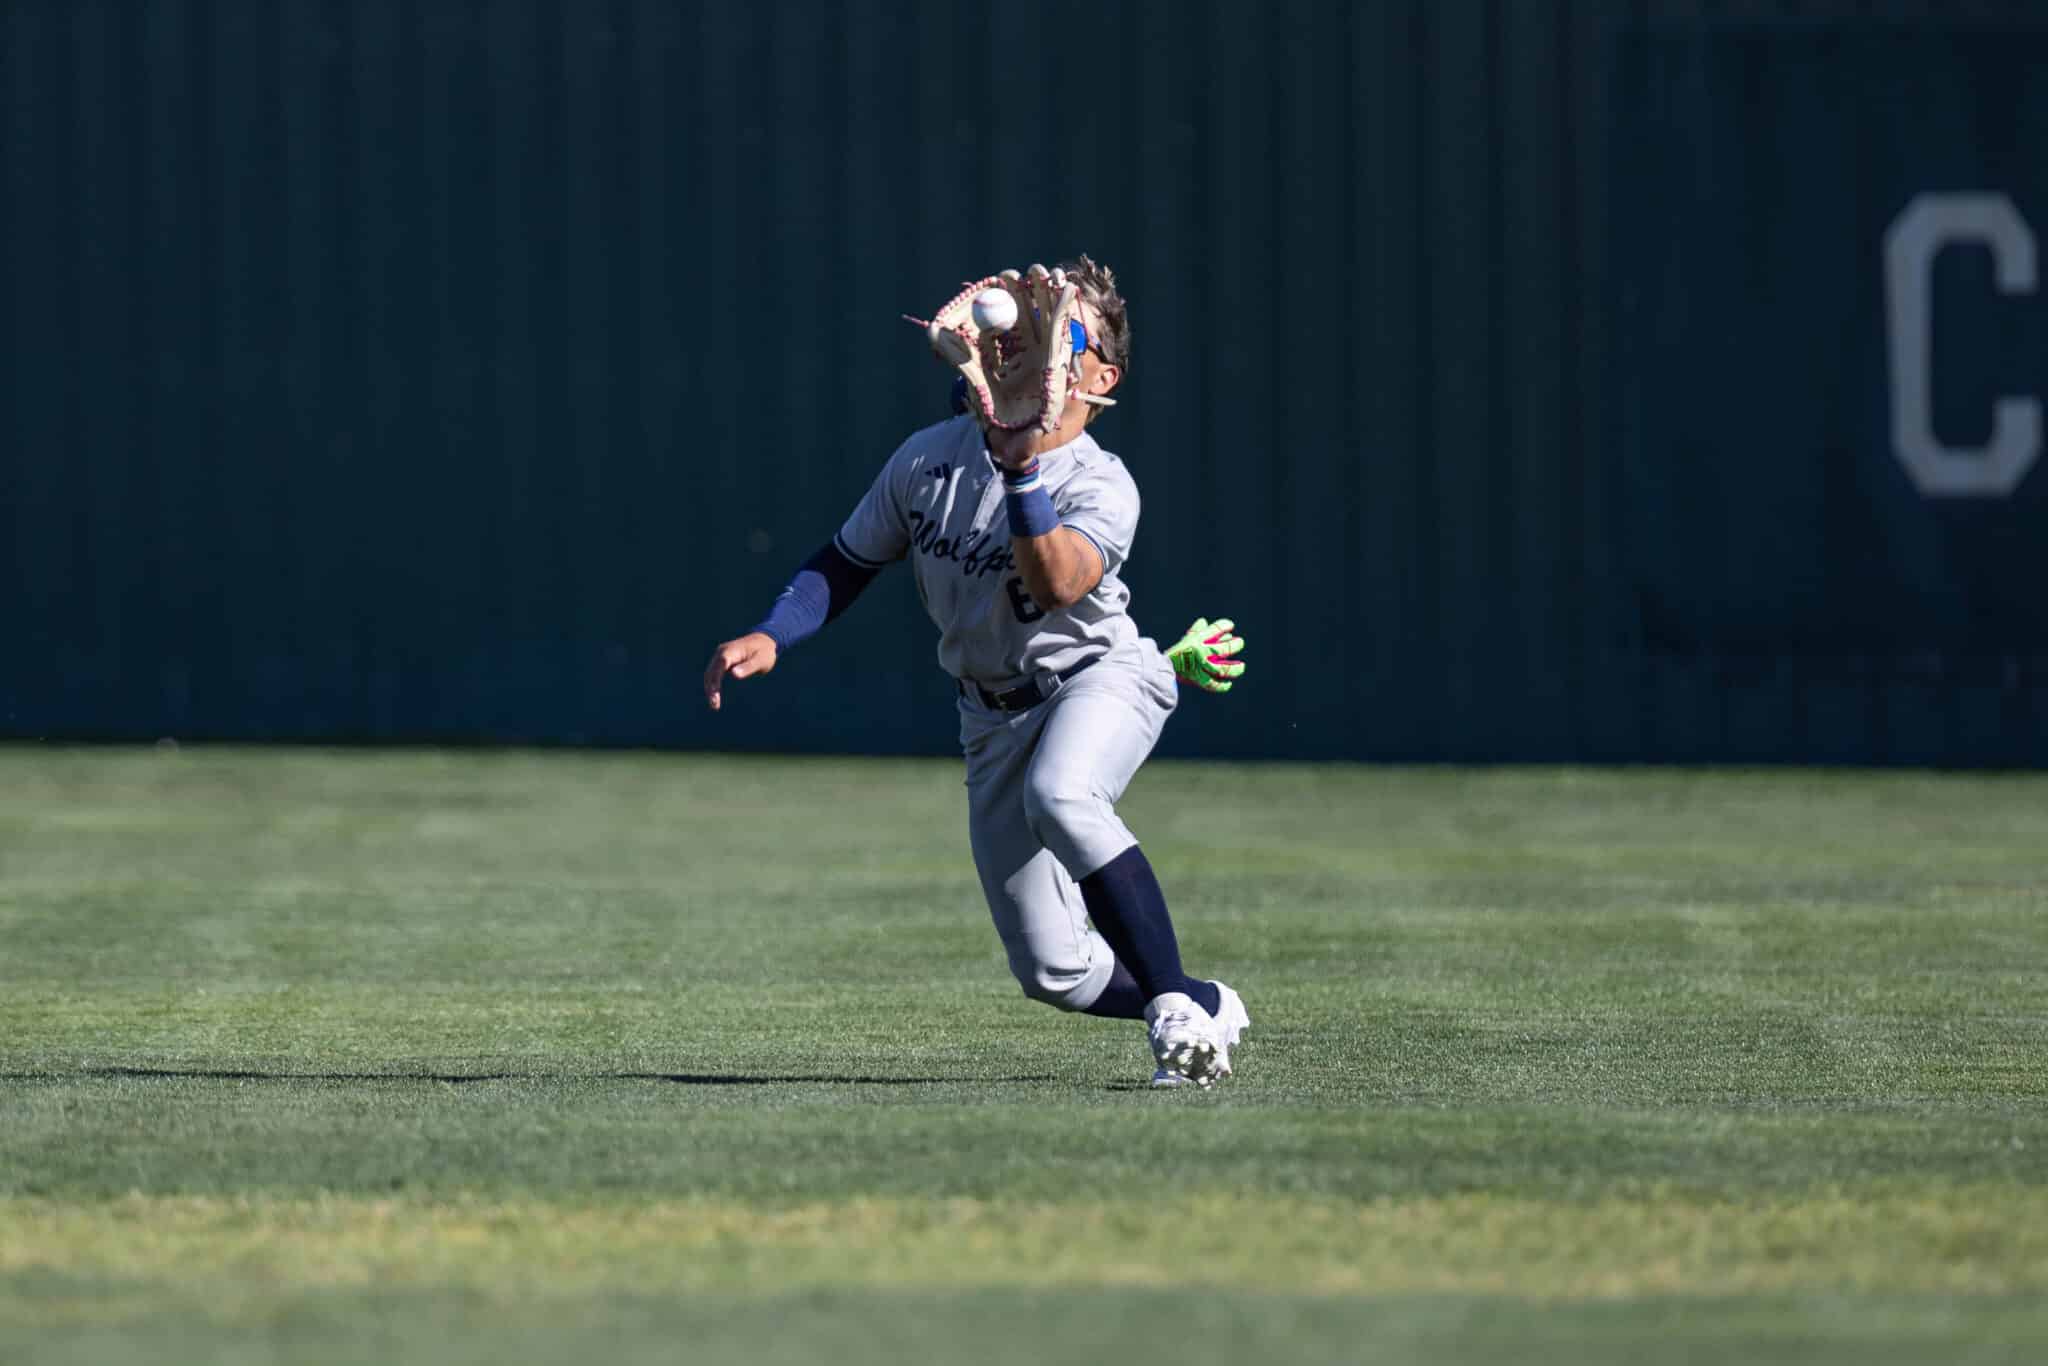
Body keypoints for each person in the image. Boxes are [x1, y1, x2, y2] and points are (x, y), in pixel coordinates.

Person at [702, 256, 1249, 1087]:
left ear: (1100, 376)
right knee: (1053, 971)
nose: (1037, 343)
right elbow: (847, 560)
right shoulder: (928, 460)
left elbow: (1060, 582)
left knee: (1064, 794)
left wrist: (1021, 465)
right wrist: (776, 633)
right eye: (1029, 325)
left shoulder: (1100, 480)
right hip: (990, 718)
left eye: (1067, 334)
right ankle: (1205, 997)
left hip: (1098, 677)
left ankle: (1173, 1007)